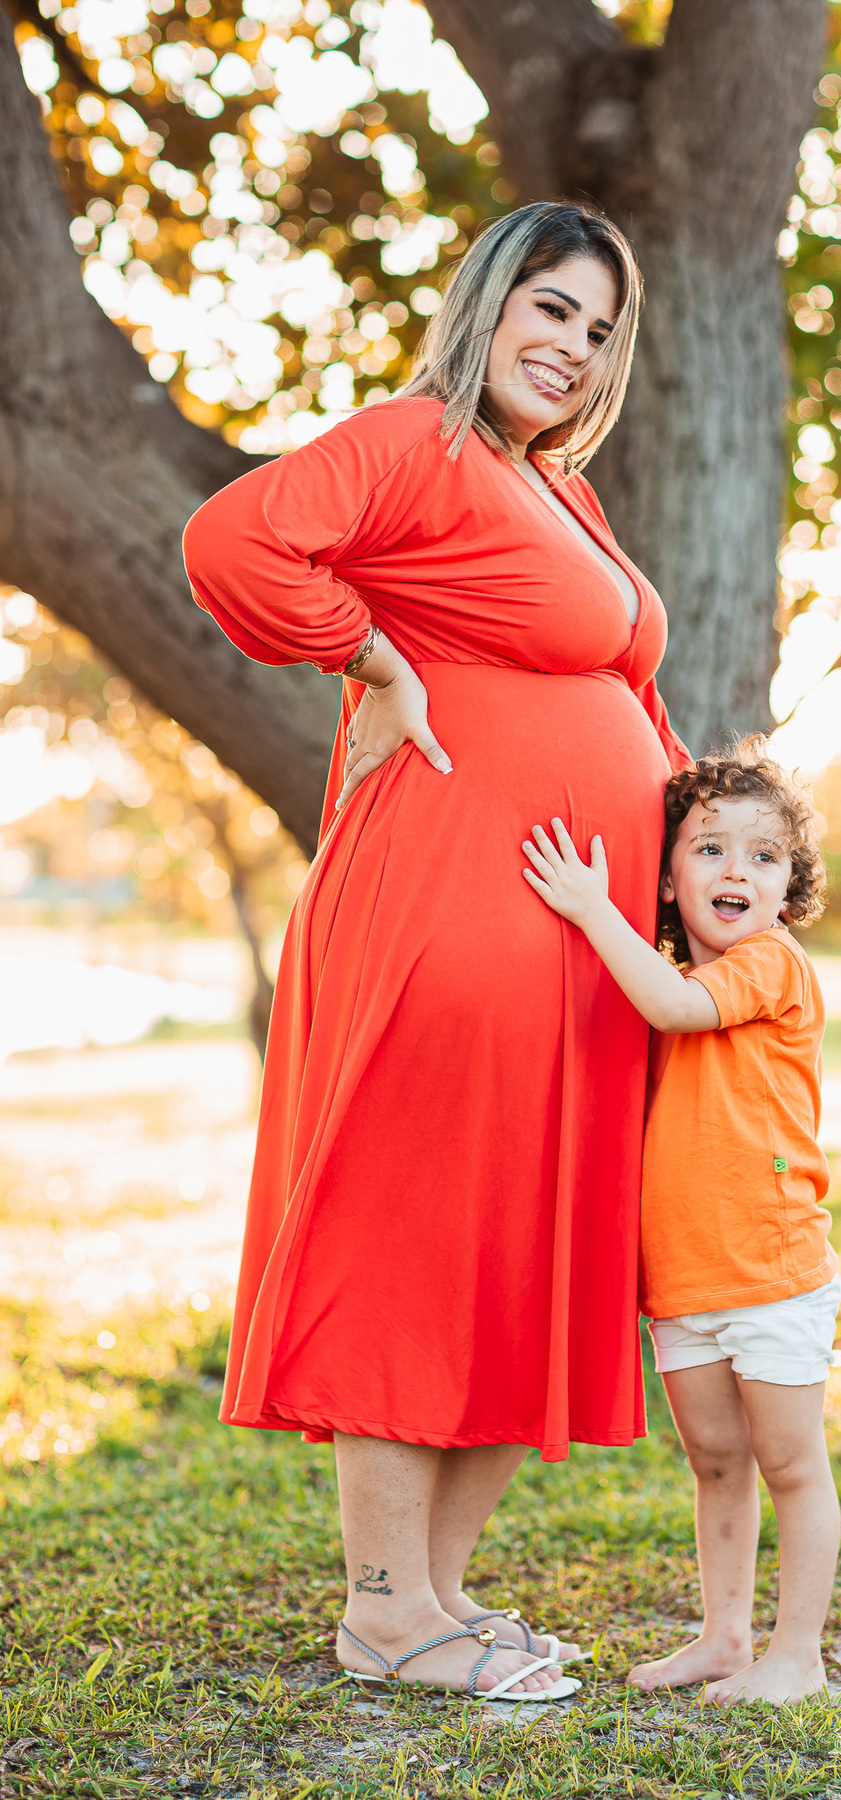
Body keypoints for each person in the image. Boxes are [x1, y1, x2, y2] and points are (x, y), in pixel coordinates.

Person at [182, 201, 690, 1700]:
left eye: (599, 329)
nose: (572, 345)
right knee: (426, 1231)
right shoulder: (419, 436)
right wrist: (375, 655)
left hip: (573, 932)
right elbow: (235, 539)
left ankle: (436, 1602)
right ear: (485, 304)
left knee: (514, 1241)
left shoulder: (559, 492)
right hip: (457, 900)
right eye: (549, 307)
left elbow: (618, 695)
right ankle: (385, 1607)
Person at [521, 741, 840, 1706]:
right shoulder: (670, 972)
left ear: (790, 887)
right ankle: (724, 1639)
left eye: (764, 855)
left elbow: (669, 1005)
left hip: (773, 1268)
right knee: (715, 1464)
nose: (737, 869)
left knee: (790, 1465)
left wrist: (588, 908)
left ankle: (800, 1657)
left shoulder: (768, 965)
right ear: (669, 875)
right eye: (709, 849)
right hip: (688, 1278)